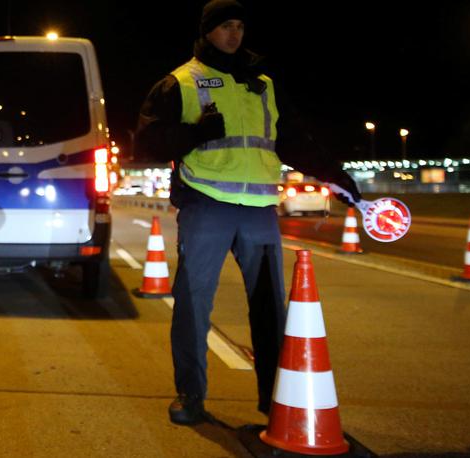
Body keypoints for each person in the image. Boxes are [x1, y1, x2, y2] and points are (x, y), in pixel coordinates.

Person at [134, 0, 361, 425]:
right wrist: (195, 133)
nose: (234, 34)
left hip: (258, 209)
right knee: (193, 303)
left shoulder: (264, 84)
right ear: (207, 32)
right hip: (206, 204)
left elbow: (294, 140)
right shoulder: (180, 82)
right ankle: (190, 394)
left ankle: (274, 399)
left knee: (270, 308)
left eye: (239, 26)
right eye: (225, 27)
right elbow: (146, 144)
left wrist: (337, 176)